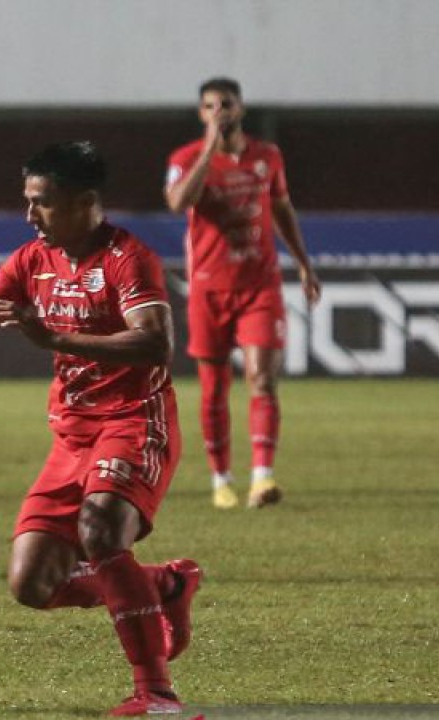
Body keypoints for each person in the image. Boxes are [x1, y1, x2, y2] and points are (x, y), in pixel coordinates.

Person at [0, 142, 200, 716]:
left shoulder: (128, 258)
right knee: (31, 585)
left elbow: (156, 342)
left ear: (86, 203)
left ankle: (155, 694)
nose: (31, 215)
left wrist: (54, 339)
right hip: (72, 437)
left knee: (102, 531)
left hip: (135, 421)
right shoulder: (32, 259)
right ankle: (162, 586)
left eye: (43, 204)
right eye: (28, 202)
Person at [165, 77, 321, 510]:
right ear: (201, 114)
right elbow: (178, 203)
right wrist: (209, 150)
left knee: (263, 379)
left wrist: (304, 265)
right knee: (214, 388)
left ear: (241, 109)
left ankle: (262, 478)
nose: (220, 111)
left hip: (259, 284)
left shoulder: (267, 156)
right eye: (210, 106)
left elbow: (282, 209)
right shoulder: (184, 159)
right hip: (209, 288)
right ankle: (221, 480)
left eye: (226, 104)